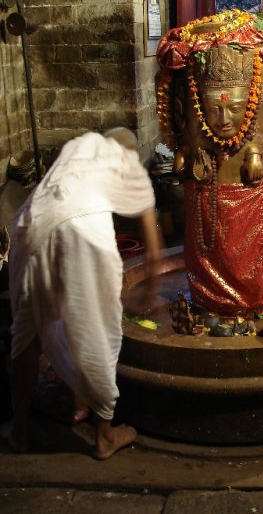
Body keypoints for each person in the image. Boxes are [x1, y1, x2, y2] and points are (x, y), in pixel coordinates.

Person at [7, 128, 164, 460]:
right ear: (129, 154)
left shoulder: (79, 147)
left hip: (31, 226)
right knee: (99, 332)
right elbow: (152, 245)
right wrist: (147, 292)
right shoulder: (126, 161)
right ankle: (105, 436)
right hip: (83, 230)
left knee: (27, 334)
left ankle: (19, 431)